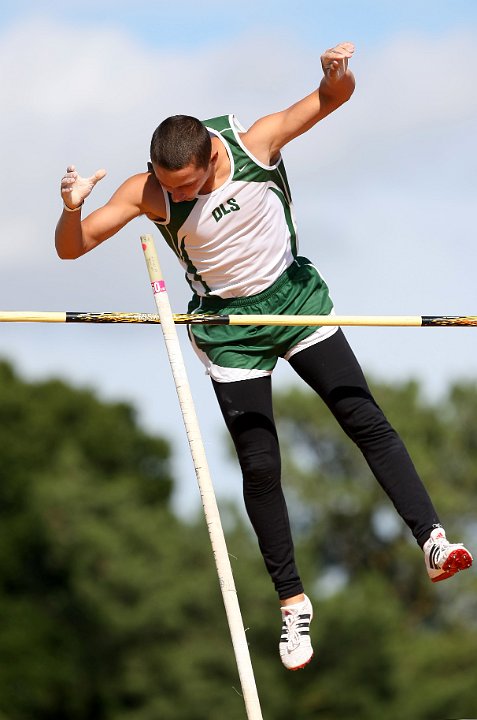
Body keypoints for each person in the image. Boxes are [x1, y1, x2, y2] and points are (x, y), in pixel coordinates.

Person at [55, 41, 473, 671]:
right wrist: (70, 208)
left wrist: (338, 76)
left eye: (189, 185)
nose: (181, 197)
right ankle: (293, 605)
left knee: (364, 419)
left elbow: (332, 100)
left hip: (292, 299)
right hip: (230, 328)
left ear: (211, 156)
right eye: (171, 188)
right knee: (261, 465)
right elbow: (71, 249)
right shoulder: (149, 191)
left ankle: (433, 541)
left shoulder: (256, 143)